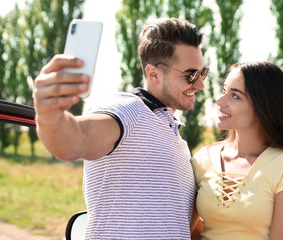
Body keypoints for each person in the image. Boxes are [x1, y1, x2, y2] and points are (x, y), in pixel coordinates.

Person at [33, 18, 209, 239]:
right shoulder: (128, 110)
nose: (201, 84)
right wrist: (49, 114)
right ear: (153, 73)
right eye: (191, 75)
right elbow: (74, 140)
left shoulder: (177, 139)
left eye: (203, 73)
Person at [191, 61, 283, 240]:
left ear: (264, 106)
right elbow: (184, 230)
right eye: (224, 91)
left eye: (235, 96)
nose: (220, 102)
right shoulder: (202, 159)